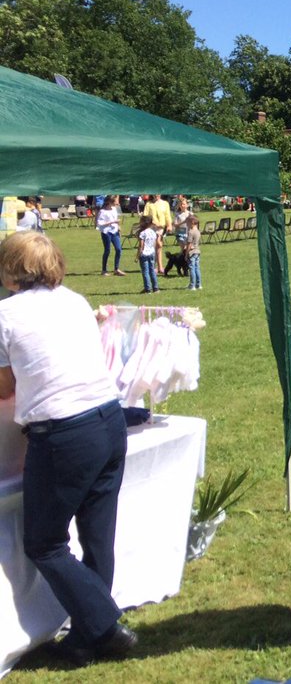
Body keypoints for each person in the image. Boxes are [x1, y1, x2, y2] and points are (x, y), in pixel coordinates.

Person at [0, 231, 138, 665]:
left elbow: (6, 385)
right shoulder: (75, 300)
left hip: (62, 432)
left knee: (44, 543)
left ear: (10, 269)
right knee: (97, 535)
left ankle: (103, 623)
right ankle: (87, 638)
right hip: (107, 418)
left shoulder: (5, 314)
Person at [141, 194, 173, 275]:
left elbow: (167, 216)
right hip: (152, 227)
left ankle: (160, 267)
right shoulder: (149, 204)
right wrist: (153, 224)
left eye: (158, 193)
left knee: (159, 246)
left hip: (161, 228)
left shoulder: (165, 203)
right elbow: (145, 216)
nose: (156, 195)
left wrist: (169, 225)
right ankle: (153, 266)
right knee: (153, 246)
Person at [95, 196, 126, 277]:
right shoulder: (102, 211)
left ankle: (116, 269)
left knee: (118, 249)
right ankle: (104, 270)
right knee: (107, 250)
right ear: (109, 202)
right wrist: (112, 222)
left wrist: (118, 228)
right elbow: (100, 223)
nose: (116, 203)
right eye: (114, 202)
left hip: (114, 232)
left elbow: (116, 219)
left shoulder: (114, 209)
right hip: (106, 232)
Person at [136, 216, 160, 294]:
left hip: (144, 254)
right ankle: (156, 288)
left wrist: (137, 256)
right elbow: (154, 244)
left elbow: (141, 246)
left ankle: (147, 289)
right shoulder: (153, 232)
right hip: (151, 253)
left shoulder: (142, 233)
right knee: (152, 271)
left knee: (145, 272)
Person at [185, 215, 202, 290]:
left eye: (187, 223)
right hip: (197, 251)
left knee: (192, 269)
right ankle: (199, 284)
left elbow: (189, 244)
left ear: (192, 223)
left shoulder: (191, 232)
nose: (187, 225)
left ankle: (192, 285)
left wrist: (186, 254)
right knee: (197, 268)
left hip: (192, 252)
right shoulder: (198, 231)